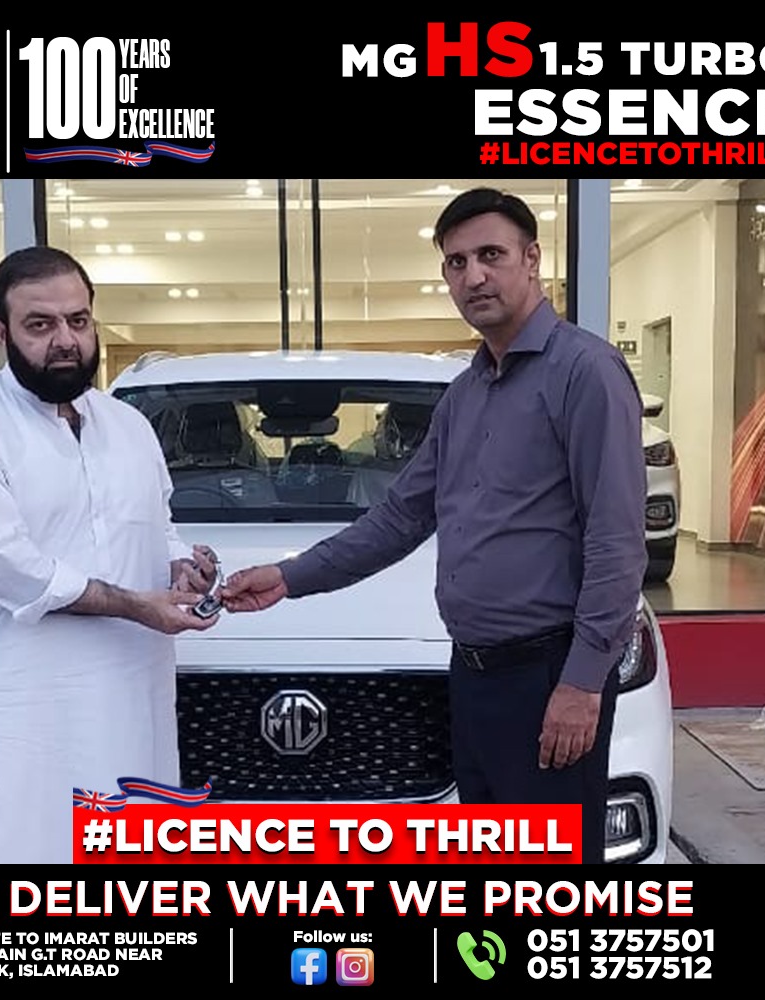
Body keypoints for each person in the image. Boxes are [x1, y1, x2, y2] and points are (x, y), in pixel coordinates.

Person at [221, 188, 647, 864]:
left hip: (547, 679)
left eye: (491, 255)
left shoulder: (586, 373)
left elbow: (617, 540)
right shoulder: (464, 395)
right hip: (471, 676)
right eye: (456, 262)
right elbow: (399, 518)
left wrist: (582, 683)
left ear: (532, 259)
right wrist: (287, 576)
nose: (473, 276)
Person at [0, 246, 220, 864]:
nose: (65, 341)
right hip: (11, 707)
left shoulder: (128, 426)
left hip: (127, 697)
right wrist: (137, 605)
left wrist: (182, 566)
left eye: (78, 321)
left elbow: (152, 524)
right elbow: (9, 568)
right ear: (0, 333)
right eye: (41, 324)